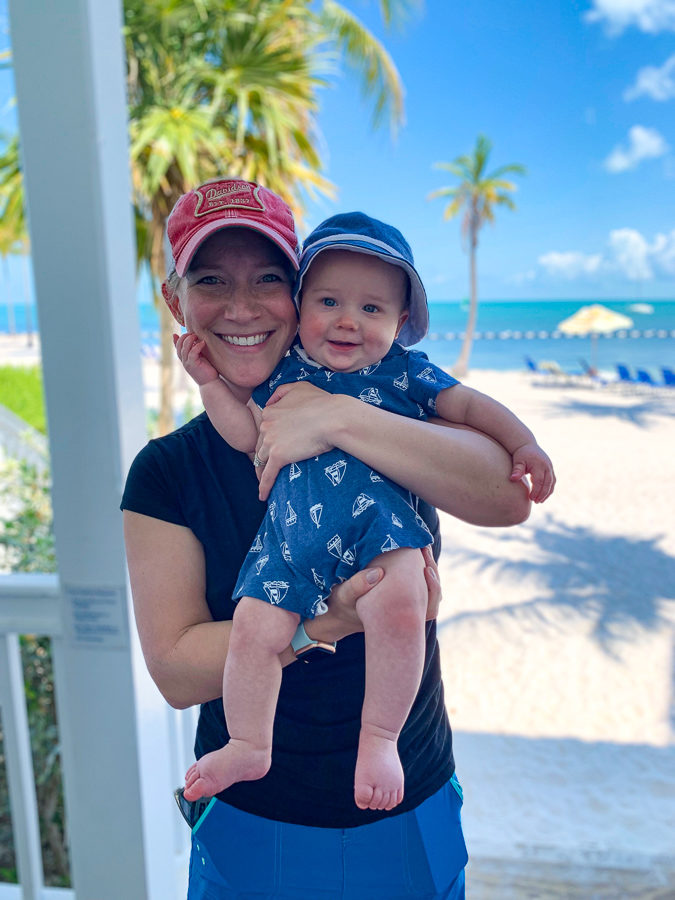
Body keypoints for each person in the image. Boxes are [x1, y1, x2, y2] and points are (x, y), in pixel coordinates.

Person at [122, 177, 532, 899]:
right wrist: (326, 623)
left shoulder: (385, 393)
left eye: (269, 280)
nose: (242, 306)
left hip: (406, 798)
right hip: (255, 815)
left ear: (297, 291)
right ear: (173, 299)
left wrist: (337, 420)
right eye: (211, 280)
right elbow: (177, 672)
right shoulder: (166, 471)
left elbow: (506, 496)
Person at [174, 211, 555, 813]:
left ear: (402, 323)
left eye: (372, 310)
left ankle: (380, 740)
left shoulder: (405, 373)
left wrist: (524, 443)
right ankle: (249, 741)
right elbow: (249, 436)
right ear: (301, 309)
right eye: (329, 301)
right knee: (251, 631)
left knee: (403, 609)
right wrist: (209, 386)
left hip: (382, 534)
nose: (349, 320)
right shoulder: (286, 369)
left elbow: (474, 406)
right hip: (290, 544)